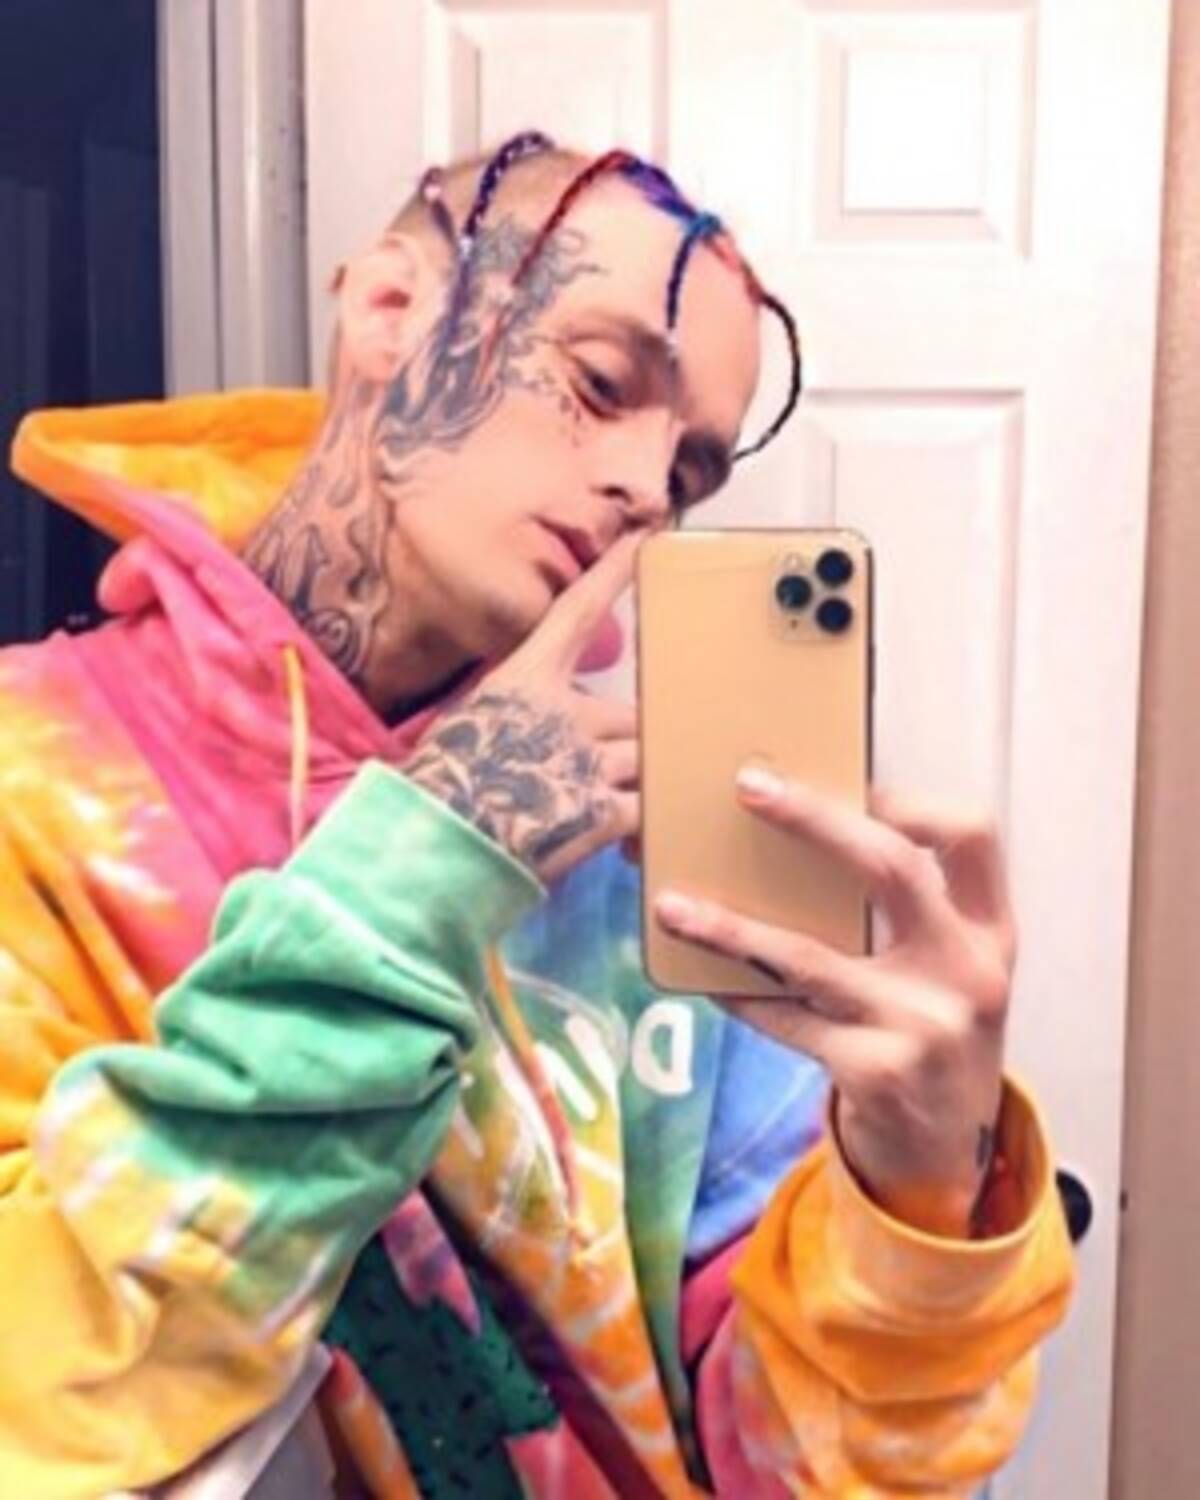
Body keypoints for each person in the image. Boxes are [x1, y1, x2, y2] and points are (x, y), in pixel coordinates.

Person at [0, 133, 1073, 1498]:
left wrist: (920, 1191)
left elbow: (796, 1466)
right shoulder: (32, 784)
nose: (645, 488)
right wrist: (422, 875)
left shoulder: (652, 862)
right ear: (390, 308)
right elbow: (36, 1411)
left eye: (692, 470)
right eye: (601, 382)